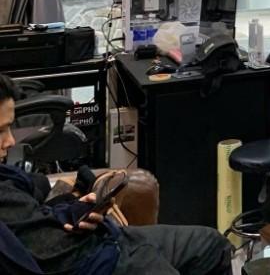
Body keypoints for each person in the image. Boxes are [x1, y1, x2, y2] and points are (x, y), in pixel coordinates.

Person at [0, 73, 231, 275]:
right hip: (98, 263)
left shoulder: (9, 182)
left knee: (212, 246)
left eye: (9, 127)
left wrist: (72, 209)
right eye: (0, 131)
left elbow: (36, 188)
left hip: (105, 243)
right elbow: (50, 256)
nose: (10, 141)